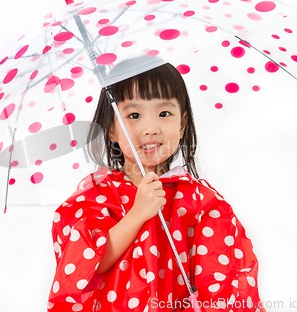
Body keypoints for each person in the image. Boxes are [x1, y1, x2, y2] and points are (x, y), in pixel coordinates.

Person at [47, 59, 265, 311]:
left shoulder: (199, 200)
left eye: (164, 113)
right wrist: (137, 215)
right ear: (111, 130)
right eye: (134, 115)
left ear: (182, 125)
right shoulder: (96, 198)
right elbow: (87, 265)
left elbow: (224, 276)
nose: (150, 129)